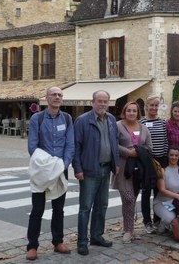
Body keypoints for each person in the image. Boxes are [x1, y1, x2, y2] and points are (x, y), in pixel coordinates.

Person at [26, 87, 74, 260]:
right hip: (41, 170)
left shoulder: (67, 119)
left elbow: (70, 145)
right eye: (53, 94)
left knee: (59, 209)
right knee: (37, 210)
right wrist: (48, 165)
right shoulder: (36, 119)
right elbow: (32, 147)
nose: (57, 97)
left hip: (60, 170)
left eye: (60, 95)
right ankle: (32, 246)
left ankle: (57, 241)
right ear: (46, 98)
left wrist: (63, 164)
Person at [73, 90, 119, 256]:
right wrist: (77, 169)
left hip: (106, 169)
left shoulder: (111, 119)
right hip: (89, 170)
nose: (102, 104)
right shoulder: (82, 121)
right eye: (99, 101)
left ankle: (97, 236)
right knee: (85, 207)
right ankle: (82, 242)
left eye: (105, 101)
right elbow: (76, 147)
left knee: (102, 205)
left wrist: (117, 164)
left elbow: (114, 143)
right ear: (92, 102)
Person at [112, 101, 153, 243]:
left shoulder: (144, 128)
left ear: (138, 113)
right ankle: (128, 230)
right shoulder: (117, 126)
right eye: (129, 110)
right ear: (124, 112)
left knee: (132, 200)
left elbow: (149, 147)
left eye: (134, 111)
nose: (131, 113)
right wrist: (128, 152)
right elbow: (113, 144)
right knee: (128, 199)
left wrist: (139, 152)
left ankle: (130, 229)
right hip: (124, 168)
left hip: (139, 169)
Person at [140, 96, 168, 234]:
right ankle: (147, 221)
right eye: (151, 105)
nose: (154, 108)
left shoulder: (163, 122)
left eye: (156, 106)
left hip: (161, 160)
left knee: (159, 191)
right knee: (146, 192)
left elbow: (166, 140)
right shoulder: (142, 122)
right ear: (146, 106)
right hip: (148, 161)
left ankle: (157, 219)